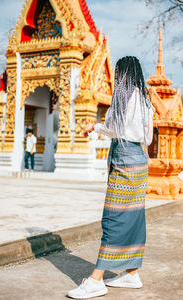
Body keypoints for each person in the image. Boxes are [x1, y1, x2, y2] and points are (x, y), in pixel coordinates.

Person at [68, 56, 154, 299]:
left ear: (123, 74)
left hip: (125, 159)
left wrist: (95, 127)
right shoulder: (146, 101)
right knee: (134, 215)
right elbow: (147, 139)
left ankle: (96, 280)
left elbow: (116, 129)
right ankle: (132, 273)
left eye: (117, 73)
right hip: (139, 160)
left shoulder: (124, 96)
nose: (115, 78)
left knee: (114, 217)